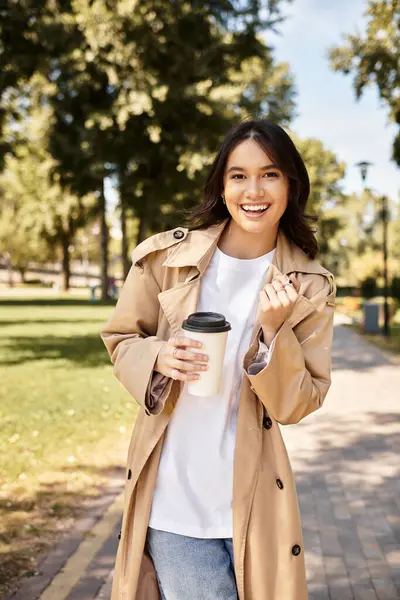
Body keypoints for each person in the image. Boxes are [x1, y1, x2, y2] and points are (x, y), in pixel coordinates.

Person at [101, 119, 336, 600]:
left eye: (270, 174)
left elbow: (298, 404)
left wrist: (274, 332)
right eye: (238, 175)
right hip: (174, 499)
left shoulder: (310, 286)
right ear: (221, 185)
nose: (254, 190)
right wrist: (159, 356)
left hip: (255, 504)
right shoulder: (165, 259)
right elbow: (122, 337)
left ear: (291, 184)